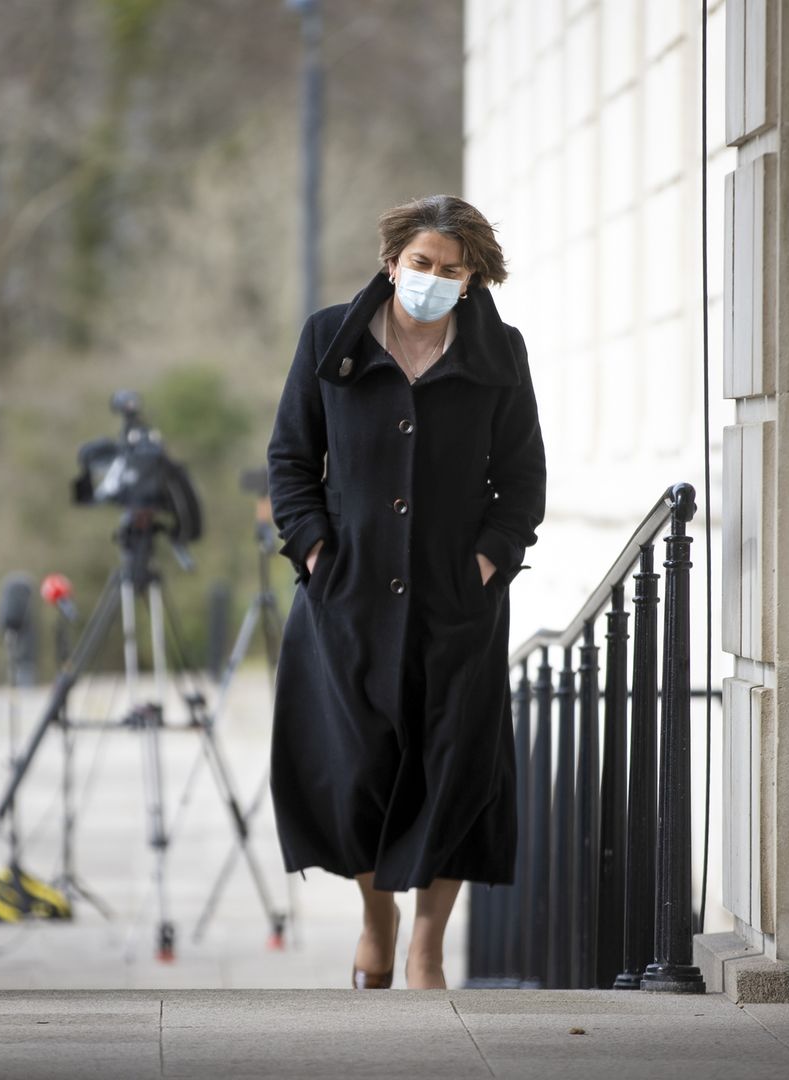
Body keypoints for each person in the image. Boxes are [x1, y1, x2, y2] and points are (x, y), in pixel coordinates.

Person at [266, 194, 546, 990]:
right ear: (392, 262)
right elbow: (291, 460)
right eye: (420, 264)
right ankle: (376, 914)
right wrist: (318, 553)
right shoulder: (332, 338)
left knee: (455, 773)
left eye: (451, 271)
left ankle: (427, 948)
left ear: (472, 279)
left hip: (456, 607)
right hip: (346, 601)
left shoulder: (500, 352)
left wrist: (487, 564)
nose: (432, 279)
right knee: (357, 772)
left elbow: (522, 479)